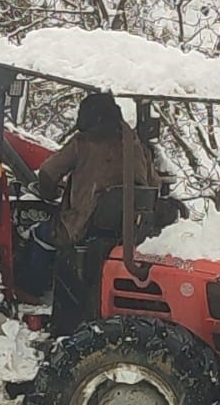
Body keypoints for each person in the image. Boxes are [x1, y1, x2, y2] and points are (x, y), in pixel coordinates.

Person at [32, 92, 162, 335]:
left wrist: (47, 193)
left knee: (40, 234)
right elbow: (154, 183)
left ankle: (33, 292)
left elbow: (48, 173)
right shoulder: (135, 143)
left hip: (86, 224)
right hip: (129, 228)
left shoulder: (83, 142)